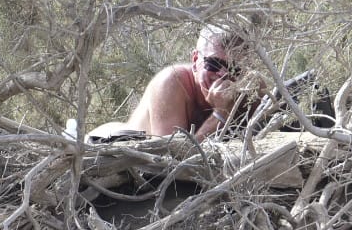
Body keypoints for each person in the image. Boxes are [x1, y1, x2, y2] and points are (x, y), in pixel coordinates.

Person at [85, 24, 251, 143]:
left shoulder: (247, 86)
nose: (223, 74)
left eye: (234, 69)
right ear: (195, 60)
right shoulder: (172, 82)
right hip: (107, 144)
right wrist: (220, 114)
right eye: (213, 64)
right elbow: (172, 159)